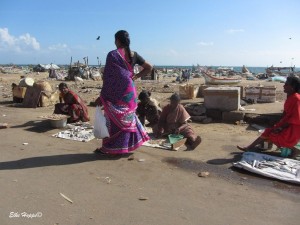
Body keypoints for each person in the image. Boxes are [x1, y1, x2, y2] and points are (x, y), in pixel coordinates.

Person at [95, 30, 152, 155]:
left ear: (118, 40)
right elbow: (149, 67)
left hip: (115, 93)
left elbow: (108, 78)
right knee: (128, 118)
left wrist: (102, 95)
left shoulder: (112, 55)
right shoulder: (134, 54)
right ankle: (127, 147)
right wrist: (135, 77)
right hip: (129, 92)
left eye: (115, 40)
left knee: (111, 119)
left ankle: (109, 148)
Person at [237, 76, 300, 159]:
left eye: (286, 85)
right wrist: (280, 123)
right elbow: (285, 112)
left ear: (292, 87)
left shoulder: (296, 98)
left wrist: (281, 127)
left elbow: (296, 117)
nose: (284, 86)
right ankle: (249, 147)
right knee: (268, 132)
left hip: (293, 127)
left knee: (274, 135)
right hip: (286, 123)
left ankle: (294, 150)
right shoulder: (290, 96)